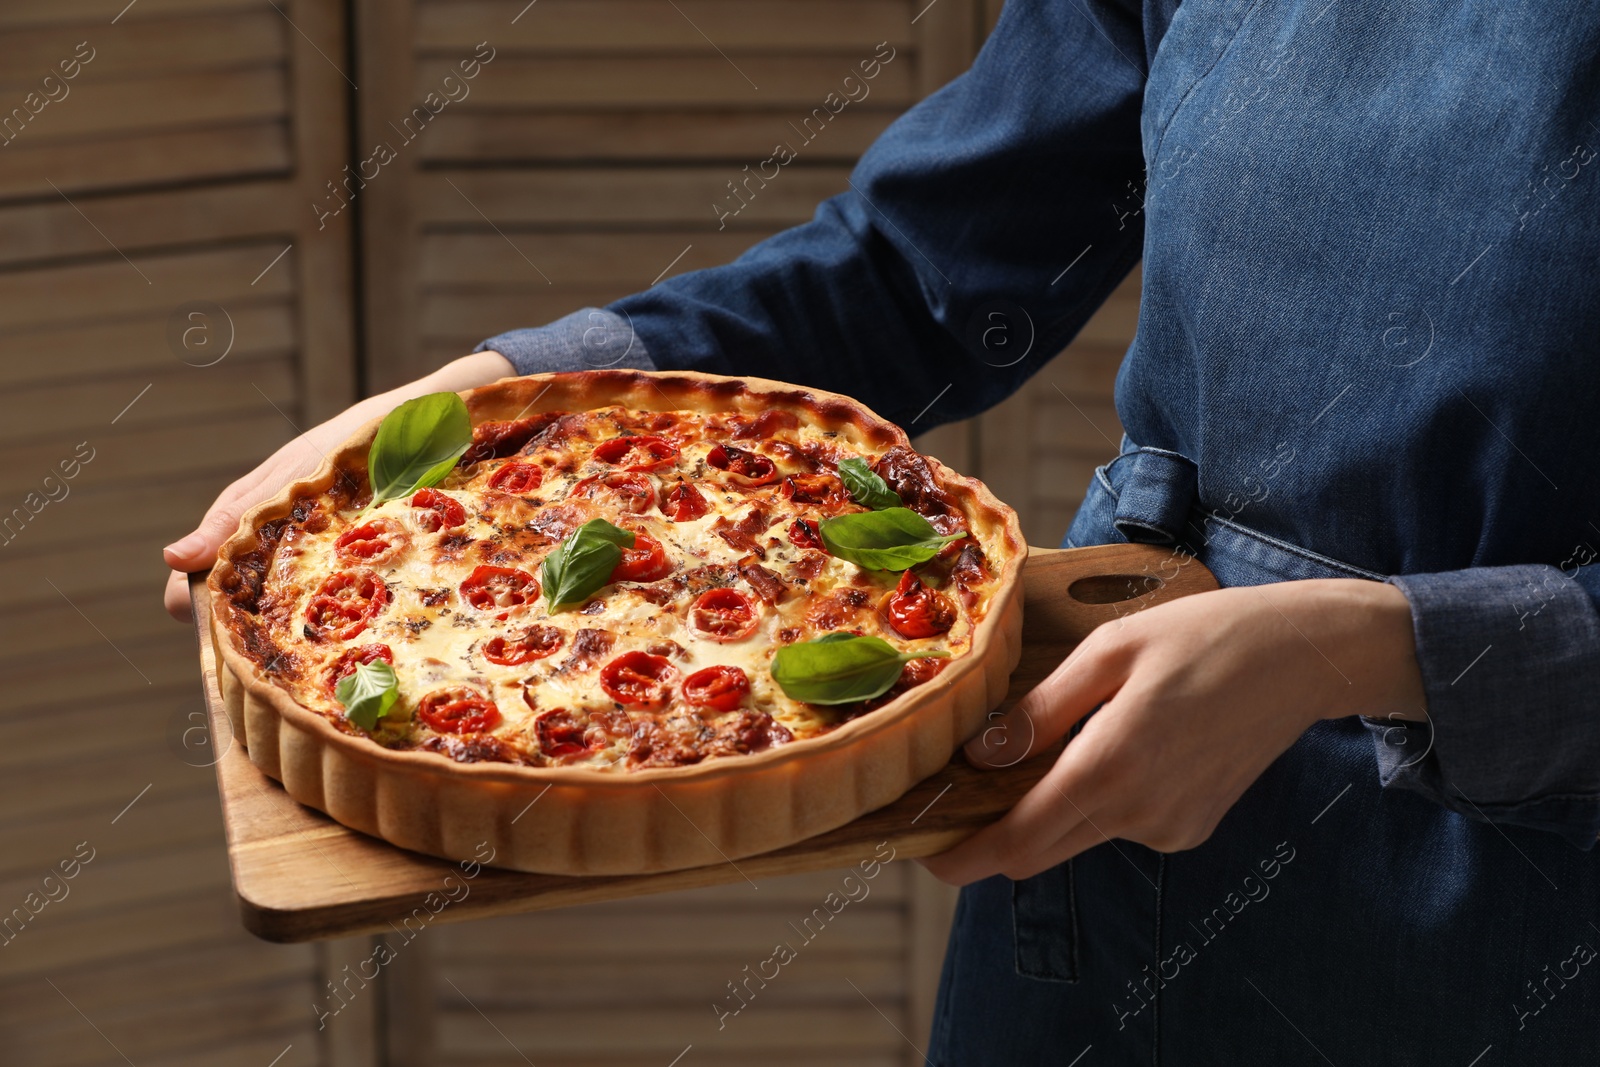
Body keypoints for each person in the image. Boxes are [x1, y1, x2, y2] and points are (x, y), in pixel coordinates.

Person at [165, 1, 1600, 1061]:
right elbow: (915, 271)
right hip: (1117, 816)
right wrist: (500, 390)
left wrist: (1362, 650)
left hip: (1520, 912)